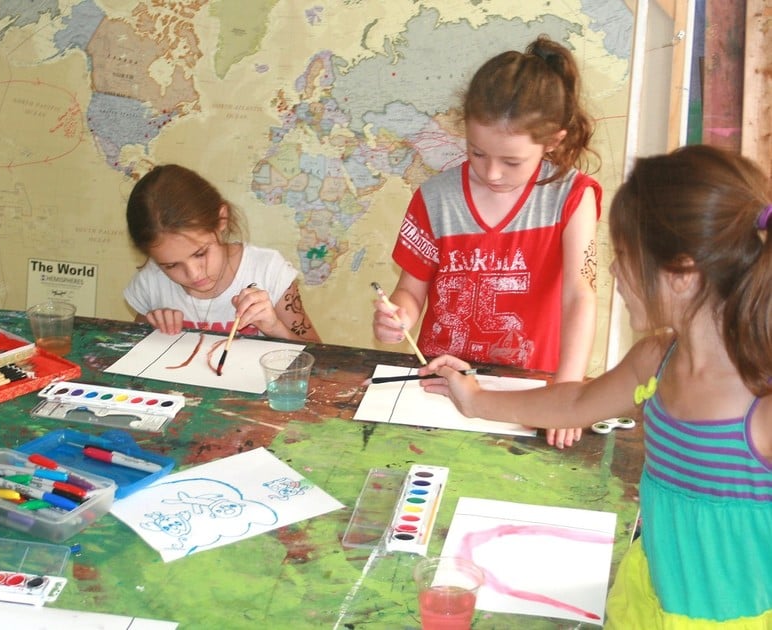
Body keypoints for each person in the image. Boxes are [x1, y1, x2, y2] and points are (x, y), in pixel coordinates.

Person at [419, 144, 772, 628]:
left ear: (683, 273)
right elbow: (578, 401)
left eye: (623, 257)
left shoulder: (763, 404)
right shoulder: (656, 359)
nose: (611, 273)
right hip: (649, 597)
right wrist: (476, 400)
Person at [373, 35, 601, 448]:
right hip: (440, 382)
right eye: (477, 153)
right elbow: (409, 290)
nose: (492, 173)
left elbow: (579, 297)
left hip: (531, 390)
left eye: (511, 161)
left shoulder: (572, 197)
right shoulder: (435, 197)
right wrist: (399, 317)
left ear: (553, 141)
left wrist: (568, 396)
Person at [124, 164, 321, 343]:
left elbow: (322, 360)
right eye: (171, 265)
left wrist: (275, 328)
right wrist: (153, 333)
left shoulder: (268, 271)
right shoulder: (151, 281)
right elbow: (132, 353)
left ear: (221, 220)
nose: (194, 274)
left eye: (200, 253)